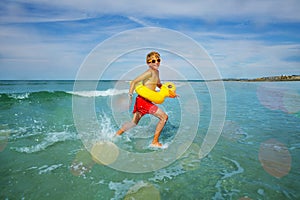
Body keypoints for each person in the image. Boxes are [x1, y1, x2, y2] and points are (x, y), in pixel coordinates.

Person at [115, 51, 169, 147]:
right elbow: (134, 82)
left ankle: (116, 135)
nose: (156, 62)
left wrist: (169, 92)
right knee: (164, 117)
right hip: (143, 101)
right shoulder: (149, 72)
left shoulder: (157, 72)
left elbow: (159, 84)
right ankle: (155, 142)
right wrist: (130, 97)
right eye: (153, 60)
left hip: (145, 100)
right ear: (148, 63)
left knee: (133, 123)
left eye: (158, 60)